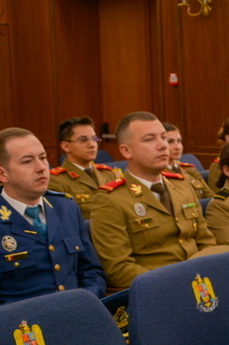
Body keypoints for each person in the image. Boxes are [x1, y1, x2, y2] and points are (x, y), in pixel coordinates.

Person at [0, 127, 105, 316]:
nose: (41, 167)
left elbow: (92, 272)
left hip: (81, 315)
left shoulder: (66, 207)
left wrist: (85, 303)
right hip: (24, 333)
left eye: (43, 157)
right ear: (2, 174)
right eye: (27, 161)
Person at [89, 111, 218, 290]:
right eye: (149, 139)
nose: (162, 146)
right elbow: (118, 269)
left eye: (164, 138)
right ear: (126, 150)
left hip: (201, 284)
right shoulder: (110, 200)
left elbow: (206, 242)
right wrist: (177, 283)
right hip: (158, 291)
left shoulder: (181, 185)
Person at [47, 116, 118, 218]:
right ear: (66, 146)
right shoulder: (55, 181)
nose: (92, 144)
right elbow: (64, 221)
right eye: (83, 140)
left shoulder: (108, 173)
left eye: (94, 139)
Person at [163, 122, 215, 198]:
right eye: (170, 142)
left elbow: (209, 196)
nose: (177, 147)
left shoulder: (190, 170)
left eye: (179, 141)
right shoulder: (157, 174)